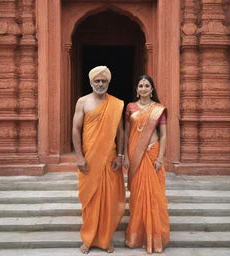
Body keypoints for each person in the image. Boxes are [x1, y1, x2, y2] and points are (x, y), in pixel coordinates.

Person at [72, 66, 125, 254]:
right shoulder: (82, 102)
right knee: (90, 199)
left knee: (108, 199)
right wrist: (79, 157)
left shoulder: (116, 103)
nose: (100, 84)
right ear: (91, 82)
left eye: (104, 81)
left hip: (109, 158)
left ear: (108, 83)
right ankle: (88, 239)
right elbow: (76, 130)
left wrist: (120, 155)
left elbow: (120, 132)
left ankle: (105, 239)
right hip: (89, 158)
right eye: (97, 81)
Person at [123, 75, 170, 254]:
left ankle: (154, 236)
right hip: (135, 154)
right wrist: (126, 156)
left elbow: (164, 135)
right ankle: (138, 235)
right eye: (140, 85)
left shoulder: (159, 109)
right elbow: (127, 134)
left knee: (153, 196)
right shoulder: (130, 107)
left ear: (152, 89)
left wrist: (160, 158)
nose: (143, 88)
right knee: (138, 196)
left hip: (152, 153)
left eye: (146, 85)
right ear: (137, 89)